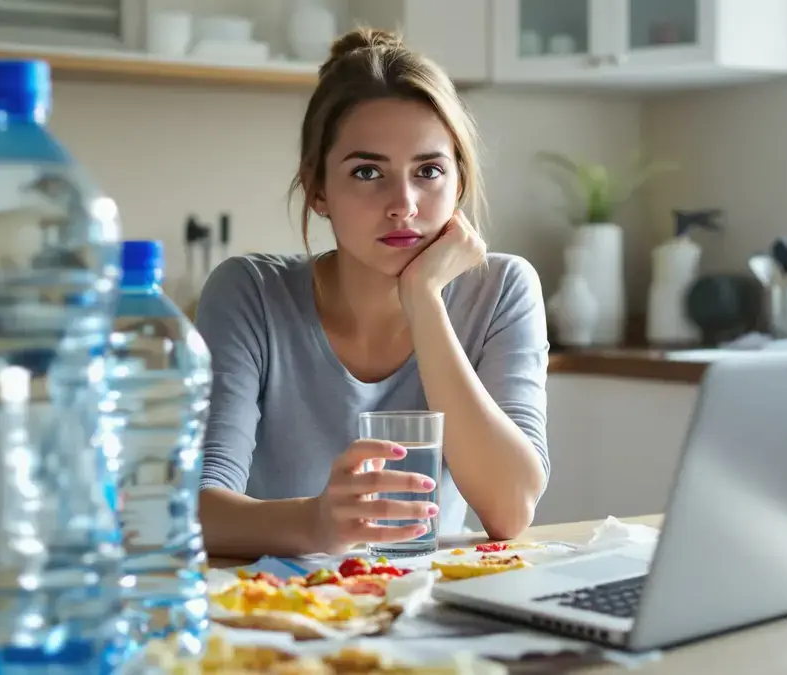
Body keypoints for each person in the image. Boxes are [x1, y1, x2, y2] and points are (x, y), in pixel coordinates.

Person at [193, 27, 550, 559]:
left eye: (429, 170)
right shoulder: (250, 293)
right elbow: (195, 511)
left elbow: (510, 510)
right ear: (317, 190)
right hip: (279, 598)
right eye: (367, 172)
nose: (403, 203)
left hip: (425, 598)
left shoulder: (502, 290)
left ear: (459, 182)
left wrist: (424, 298)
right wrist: (316, 522)